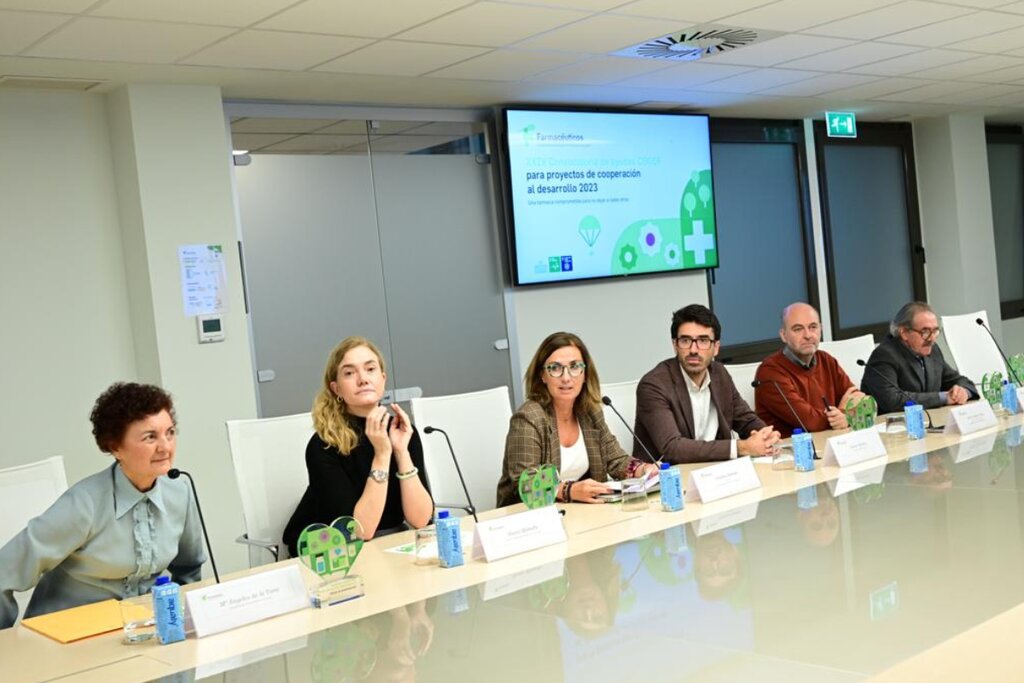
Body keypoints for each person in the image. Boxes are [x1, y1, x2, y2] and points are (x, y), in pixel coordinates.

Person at [0, 382, 205, 629]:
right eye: (150, 437)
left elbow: (189, 568)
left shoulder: (180, 493)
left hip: (140, 632)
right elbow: (4, 573)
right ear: (115, 446)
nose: (165, 446)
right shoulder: (83, 504)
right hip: (67, 638)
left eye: (170, 433)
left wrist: (177, 621)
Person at [283, 337, 433, 558]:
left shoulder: (401, 430)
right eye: (349, 373)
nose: (363, 379)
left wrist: (401, 452)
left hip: (385, 545)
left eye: (370, 369)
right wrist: (382, 454)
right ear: (336, 389)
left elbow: (421, 519)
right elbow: (359, 531)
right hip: (329, 552)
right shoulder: (324, 444)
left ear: (382, 379)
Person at [496, 332, 658, 508]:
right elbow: (524, 483)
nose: (566, 377)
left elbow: (616, 460)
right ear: (542, 375)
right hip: (528, 520)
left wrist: (643, 470)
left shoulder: (589, 412)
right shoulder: (529, 417)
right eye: (555, 368)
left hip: (577, 513)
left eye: (574, 367)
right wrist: (568, 490)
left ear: (584, 373)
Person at [634, 304, 780, 464]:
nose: (693, 349)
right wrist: (741, 447)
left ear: (716, 347)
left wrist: (764, 435)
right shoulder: (654, 385)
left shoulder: (719, 373)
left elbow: (745, 419)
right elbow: (672, 448)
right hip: (671, 479)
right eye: (685, 340)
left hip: (718, 472)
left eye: (703, 340)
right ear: (675, 345)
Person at [754, 302, 866, 437]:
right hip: (792, 451)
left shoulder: (826, 360)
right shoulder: (770, 372)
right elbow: (809, 421)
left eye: (813, 327)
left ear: (821, 330)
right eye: (798, 329)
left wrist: (845, 416)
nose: (808, 335)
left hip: (833, 442)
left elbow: (860, 401)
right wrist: (844, 412)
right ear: (784, 335)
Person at [861, 302, 978, 414]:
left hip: (929, 421)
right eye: (925, 332)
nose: (932, 338)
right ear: (904, 333)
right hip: (893, 428)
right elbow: (892, 400)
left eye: (935, 331)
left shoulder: (932, 350)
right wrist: (943, 398)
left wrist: (963, 392)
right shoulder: (885, 355)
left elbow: (962, 382)